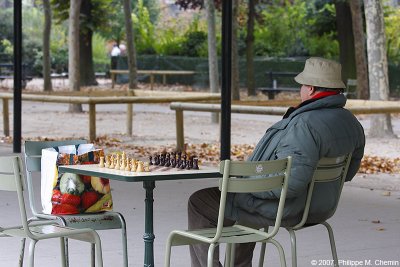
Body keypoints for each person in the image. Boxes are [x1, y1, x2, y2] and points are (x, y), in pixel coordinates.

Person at [188, 57, 366, 266]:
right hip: (321, 207)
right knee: (246, 205)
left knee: (200, 202)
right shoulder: (352, 123)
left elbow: (290, 185)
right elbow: (349, 173)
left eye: (301, 85)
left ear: (310, 89)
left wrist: (251, 186)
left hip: (291, 210)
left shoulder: (304, 125)